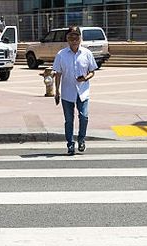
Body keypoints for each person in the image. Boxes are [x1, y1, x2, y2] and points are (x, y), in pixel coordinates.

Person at [51, 26, 98, 156]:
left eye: (76, 37)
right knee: (69, 120)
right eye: (71, 37)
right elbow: (58, 73)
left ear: (80, 38)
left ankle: (81, 139)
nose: (74, 40)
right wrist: (57, 92)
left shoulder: (86, 53)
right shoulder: (61, 55)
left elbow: (92, 71)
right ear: (67, 39)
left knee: (84, 117)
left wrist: (85, 78)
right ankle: (70, 144)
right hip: (67, 92)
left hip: (83, 92)